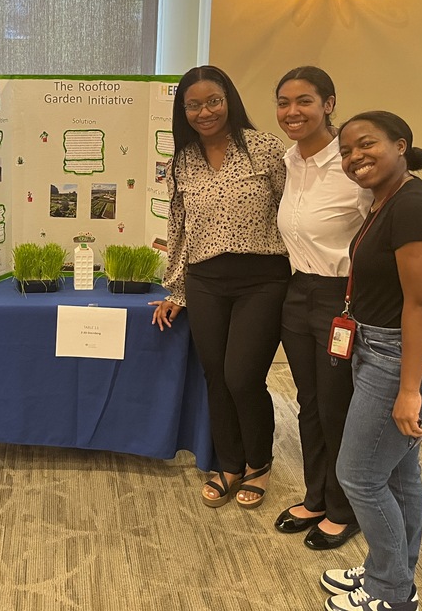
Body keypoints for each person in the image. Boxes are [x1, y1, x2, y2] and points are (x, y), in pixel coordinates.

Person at [273, 68, 422, 554]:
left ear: (328, 104)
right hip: (299, 293)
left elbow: (398, 234)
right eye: (284, 102)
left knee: (340, 407)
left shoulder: (356, 171)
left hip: (345, 300)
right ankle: (317, 495)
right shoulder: (288, 161)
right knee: (310, 403)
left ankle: (343, 508)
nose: (293, 111)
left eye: (305, 101)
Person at [320, 111, 422, 611]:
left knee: (358, 474)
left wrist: (409, 389)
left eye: (367, 144)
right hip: (379, 348)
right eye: (346, 150)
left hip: (401, 358)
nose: (355, 156)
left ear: (401, 145)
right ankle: (390, 571)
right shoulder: (388, 200)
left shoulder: (412, 205)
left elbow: (421, 304)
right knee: (399, 473)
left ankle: (392, 592)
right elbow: (416, 283)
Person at [151, 65, 290, 510]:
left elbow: (296, 214)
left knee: (243, 376)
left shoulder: (265, 149)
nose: (204, 111)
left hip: (262, 280)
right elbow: (177, 227)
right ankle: (229, 462)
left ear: (229, 99)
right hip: (206, 280)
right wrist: (176, 290)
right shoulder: (181, 161)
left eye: (213, 100)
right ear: (183, 111)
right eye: (193, 104)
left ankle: (259, 463)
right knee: (215, 376)